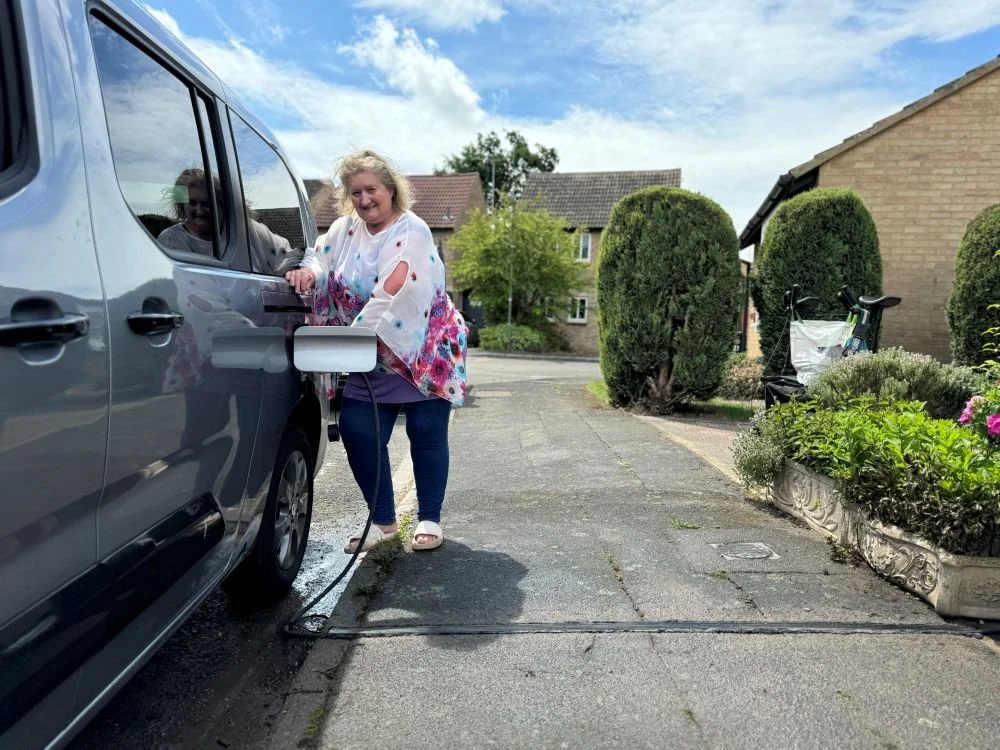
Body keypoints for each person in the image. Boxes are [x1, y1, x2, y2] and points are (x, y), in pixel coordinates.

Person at [285, 150, 468, 553]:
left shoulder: (412, 231)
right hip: (368, 353)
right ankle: (382, 523)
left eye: (372, 189)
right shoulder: (343, 230)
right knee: (358, 431)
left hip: (424, 351)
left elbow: (393, 292)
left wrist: (347, 344)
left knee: (426, 433)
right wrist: (307, 273)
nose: (365, 199)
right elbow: (320, 259)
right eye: (356, 192)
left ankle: (429, 517)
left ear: (390, 190)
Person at [158, 167, 302, 275]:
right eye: (192, 203)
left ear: (223, 204)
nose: (200, 210)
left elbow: (290, 255)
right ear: (182, 204)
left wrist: (290, 271)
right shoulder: (171, 240)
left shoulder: (249, 232)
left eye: (207, 203)